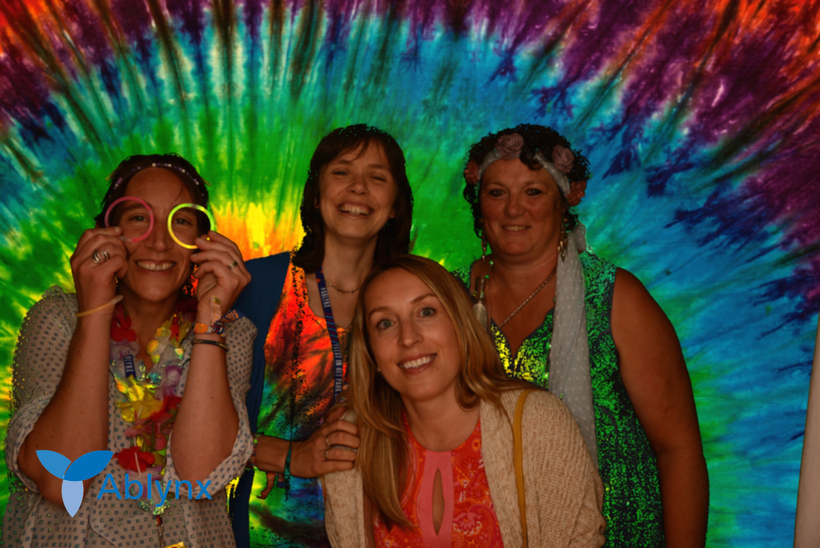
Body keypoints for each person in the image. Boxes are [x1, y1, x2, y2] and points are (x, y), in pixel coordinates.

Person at [453, 125, 709, 546]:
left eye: (533, 192)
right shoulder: (449, 298)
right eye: (497, 193)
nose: (513, 209)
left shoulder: (616, 298)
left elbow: (678, 450)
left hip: (618, 533)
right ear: (479, 202)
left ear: (564, 199)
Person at [3, 154, 255, 547]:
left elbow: (200, 477)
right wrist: (94, 311)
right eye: (139, 218)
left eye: (180, 222)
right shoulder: (58, 320)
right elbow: (62, 479)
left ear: (201, 244)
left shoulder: (231, 333)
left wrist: (210, 319)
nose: (159, 242)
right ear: (110, 232)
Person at [322, 254, 605, 547]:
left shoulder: (539, 422)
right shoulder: (352, 443)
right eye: (385, 323)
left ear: (460, 323)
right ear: (371, 352)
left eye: (426, 312)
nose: (408, 338)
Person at [230, 125, 414, 547]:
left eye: (377, 177)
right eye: (342, 172)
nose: (358, 187)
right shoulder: (254, 287)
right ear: (315, 195)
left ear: (394, 206)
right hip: (265, 530)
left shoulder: (417, 297)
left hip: (386, 527)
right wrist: (290, 455)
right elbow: (199, 427)